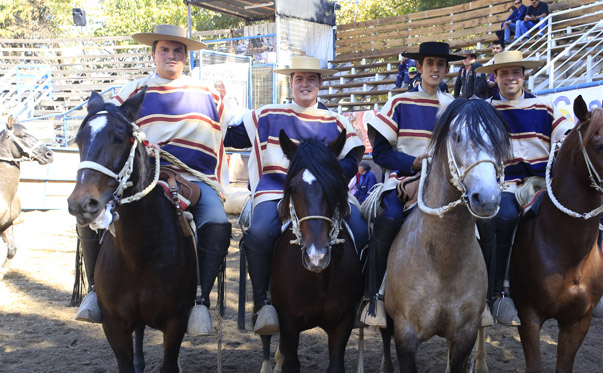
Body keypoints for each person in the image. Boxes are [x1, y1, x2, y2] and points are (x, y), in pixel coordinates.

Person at [75, 25, 233, 336]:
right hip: (144, 180)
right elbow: (108, 127)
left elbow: (234, 128)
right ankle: (95, 290)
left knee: (217, 222)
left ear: (186, 57)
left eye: (178, 51)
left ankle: (198, 298)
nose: (171, 56)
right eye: (165, 50)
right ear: (153, 54)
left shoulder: (209, 95)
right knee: (87, 216)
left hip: (195, 180)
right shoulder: (131, 92)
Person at [225, 56, 368, 335]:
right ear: (290, 82)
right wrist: (214, 117)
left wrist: (328, 176)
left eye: (311, 79)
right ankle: (265, 301)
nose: (305, 84)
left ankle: (358, 300)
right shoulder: (268, 114)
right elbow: (232, 137)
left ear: (320, 83)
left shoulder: (335, 120)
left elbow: (352, 159)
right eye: (299, 79)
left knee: (362, 230)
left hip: (326, 193)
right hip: (275, 190)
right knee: (260, 234)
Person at [362, 42, 465, 327]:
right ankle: (375, 297)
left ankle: (480, 299)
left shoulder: (455, 108)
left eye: (440, 64)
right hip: (402, 181)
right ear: (418, 67)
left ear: (446, 69)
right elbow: (380, 153)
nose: (435, 68)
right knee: (389, 219)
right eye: (429, 62)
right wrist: (413, 164)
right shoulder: (399, 102)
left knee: (480, 224)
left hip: (449, 186)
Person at [476, 51, 571, 326]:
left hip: (542, 182)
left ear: (523, 75)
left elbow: (564, 135)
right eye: (504, 73)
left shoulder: (545, 105)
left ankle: (586, 285)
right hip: (504, 182)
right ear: (495, 77)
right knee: (503, 218)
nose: (510, 78)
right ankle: (497, 293)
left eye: (515, 72)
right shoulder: (486, 109)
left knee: (580, 212)